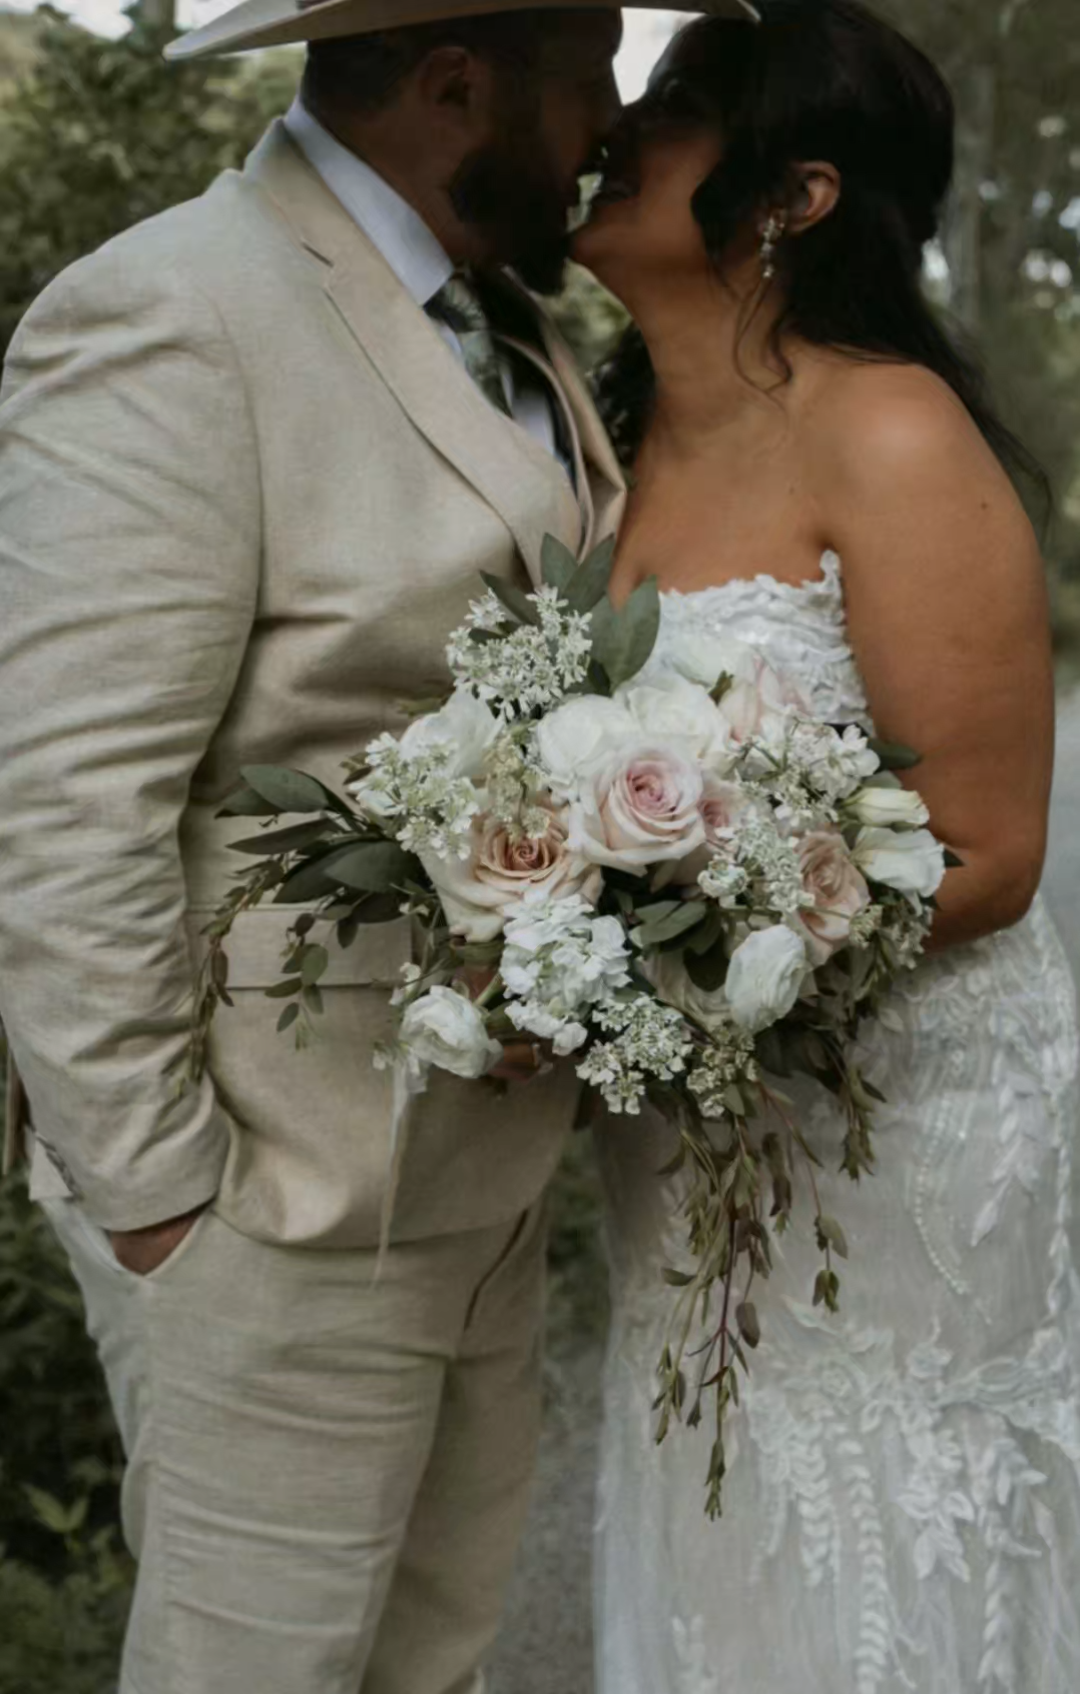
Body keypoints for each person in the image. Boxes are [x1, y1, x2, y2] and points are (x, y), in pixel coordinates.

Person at [0, 1, 733, 1687]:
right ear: (460, 81)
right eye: (588, 66)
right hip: (270, 1208)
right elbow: (63, 797)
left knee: (433, 1662)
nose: (610, 113)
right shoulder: (175, 309)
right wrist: (166, 1200)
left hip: (479, 1191)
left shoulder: (512, 325)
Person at [572, 3, 1080, 1690]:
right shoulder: (603, 436)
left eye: (676, 107)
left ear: (790, 195)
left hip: (899, 1126)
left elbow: (992, 845)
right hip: (691, 1130)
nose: (619, 125)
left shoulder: (891, 432)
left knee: (884, 1532)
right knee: (721, 1529)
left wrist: (678, 962)